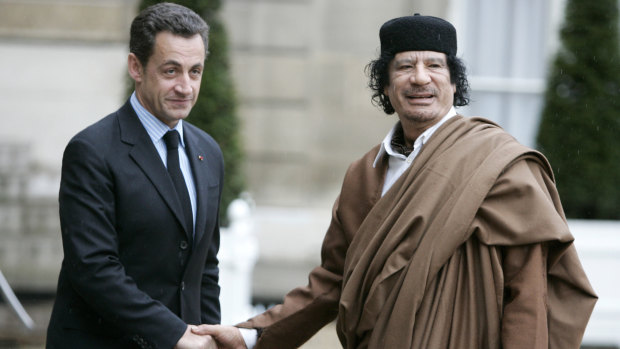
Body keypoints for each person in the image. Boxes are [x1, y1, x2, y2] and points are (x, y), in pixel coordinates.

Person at [193, 13, 597, 349]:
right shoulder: (363, 173)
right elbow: (332, 282)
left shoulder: (499, 164)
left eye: (435, 65)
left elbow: (527, 293)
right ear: (385, 85)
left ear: (454, 83)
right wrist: (251, 336)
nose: (420, 78)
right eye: (404, 66)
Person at [46, 3, 222, 349]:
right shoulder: (91, 151)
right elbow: (94, 268)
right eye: (171, 71)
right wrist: (175, 335)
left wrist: (208, 335)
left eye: (195, 71)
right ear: (135, 67)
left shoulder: (209, 151)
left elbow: (206, 267)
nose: (186, 87)